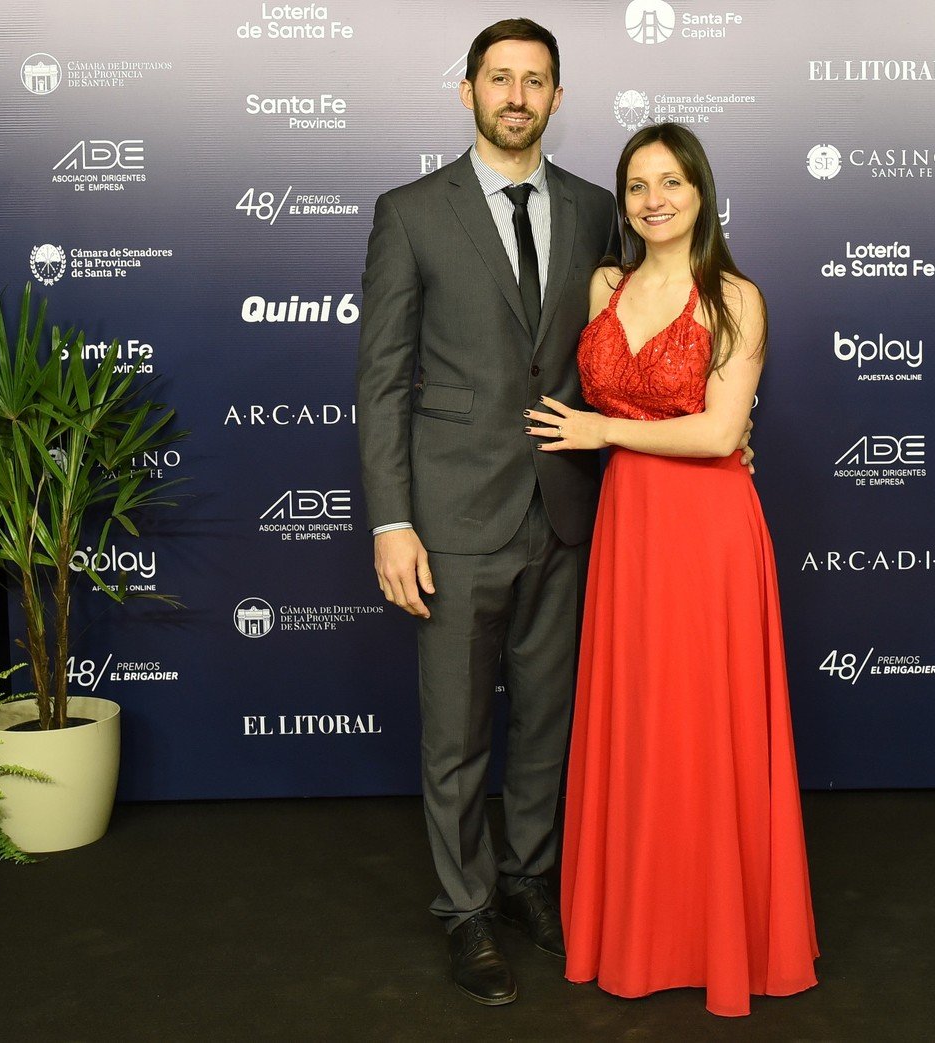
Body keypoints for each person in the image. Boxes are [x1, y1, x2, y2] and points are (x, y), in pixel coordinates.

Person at [526, 123, 819, 1017]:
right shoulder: (603, 284)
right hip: (628, 528)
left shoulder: (736, 297)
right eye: (637, 185)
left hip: (709, 531)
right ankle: (639, 928)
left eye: (671, 182)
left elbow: (720, 433)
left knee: (708, 725)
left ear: (701, 192)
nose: (654, 199)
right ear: (624, 201)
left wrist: (603, 431)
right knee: (642, 722)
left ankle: (720, 937)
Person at [355, 18, 618, 1006]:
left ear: (557, 97)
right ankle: (465, 908)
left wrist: (719, 416)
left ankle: (526, 879)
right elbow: (381, 380)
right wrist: (391, 520)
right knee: (458, 730)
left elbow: (642, 329)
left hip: (565, 509)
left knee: (548, 720)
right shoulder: (411, 211)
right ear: (464, 91)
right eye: (499, 78)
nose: (517, 94)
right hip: (453, 515)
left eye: (535, 80)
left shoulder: (599, 208)